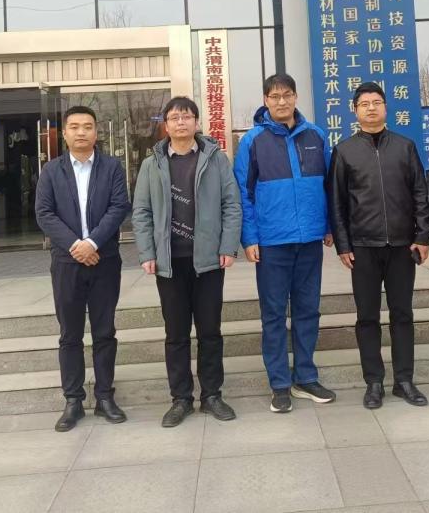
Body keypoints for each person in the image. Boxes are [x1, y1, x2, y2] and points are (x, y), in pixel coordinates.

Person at [131, 97, 242, 428]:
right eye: (174, 117)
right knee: (176, 333)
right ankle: (180, 398)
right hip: (170, 263)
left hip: (207, 261)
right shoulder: (152, 164)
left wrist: (228, 246)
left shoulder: (215, 159)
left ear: (197, 122)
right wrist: (147, 252)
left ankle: (212, 395)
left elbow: (231, 204)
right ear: (166, 125)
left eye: (187, 116)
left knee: (210, 331)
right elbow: (142, 212)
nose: (181, 122)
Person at [327, 82, 429, 409]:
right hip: (363, 247)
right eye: (364, 104)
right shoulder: (344, 151)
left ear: (386, 108)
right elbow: (337, 203)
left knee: (402, 314)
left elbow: (420, 193)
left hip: (402, 246)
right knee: (367, 317)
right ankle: (373, 382)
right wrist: (343, 244)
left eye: (376, 102)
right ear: (355, 110)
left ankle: (404, 380)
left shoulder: (405, 147)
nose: (371, 108)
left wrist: (423, 236)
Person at [234, 73, 337, 413]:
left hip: (309, 240)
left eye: (287, 95)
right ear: (265, 100)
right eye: (274, 96)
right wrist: (249, 237)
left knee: (308, 310)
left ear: (295, 97)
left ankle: (305, 377)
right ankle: (279, 383)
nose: (281, 101)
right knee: (274, 315)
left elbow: (329, 186)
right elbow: (243, 193)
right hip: (272, 242)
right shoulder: (253, 141)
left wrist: (328, 226)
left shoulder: (316, 135)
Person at [35, 105, 131, 431]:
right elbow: (44, 213)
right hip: (67, 263)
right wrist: (76, 245)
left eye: (87, 126)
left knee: (104, 331)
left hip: (105, 261)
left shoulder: (112, 167)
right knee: (70, 334)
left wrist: (92, 243)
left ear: (96, 132)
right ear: (64, 133)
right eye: (74, 126)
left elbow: (119, 207)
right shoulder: (51, 171)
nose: (81, 132)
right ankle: (73, 401)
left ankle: (105, 397)